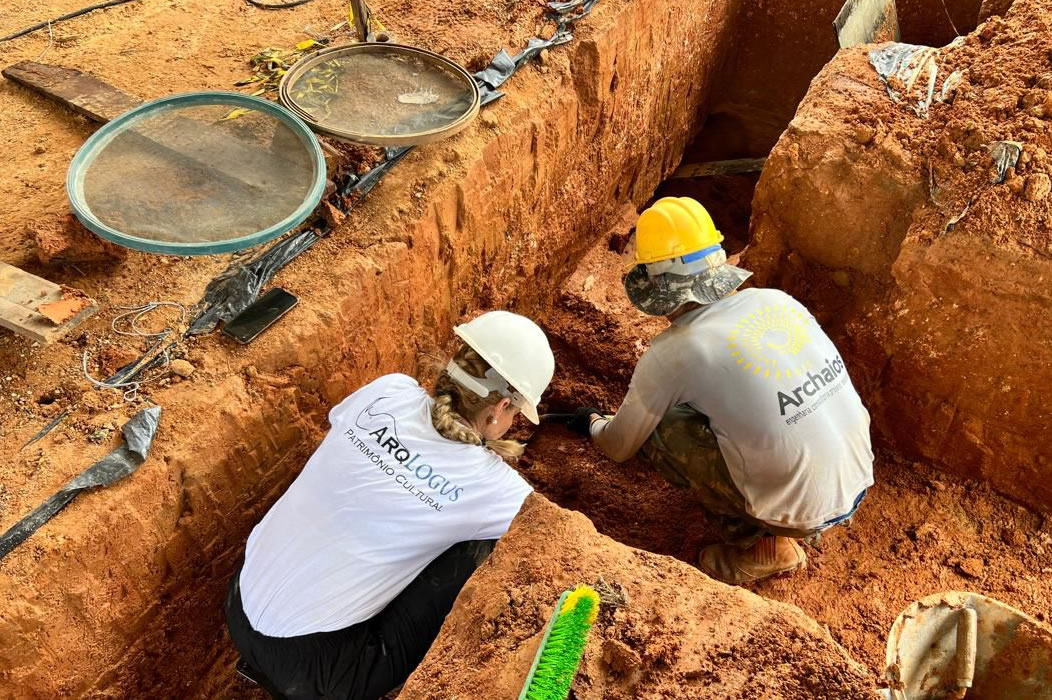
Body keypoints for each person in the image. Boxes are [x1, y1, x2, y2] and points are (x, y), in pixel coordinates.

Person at [224, 311, 554, 699]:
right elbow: (550, 530)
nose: (513, 422)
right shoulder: (493, 487)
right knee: (482, 549)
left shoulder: (388, 391)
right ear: (499, 409)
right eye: (515, 412)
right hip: (318, 670)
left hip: (239, 603)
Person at [568, 196, 874, 585]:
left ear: (655, 285)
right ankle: (781, 511)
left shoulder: (675, 352)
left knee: (664, 429)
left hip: (802, 510)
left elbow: (618, 446)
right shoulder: (775, 300)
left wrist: (592, 421)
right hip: (857, 473)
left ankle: (765, 546)